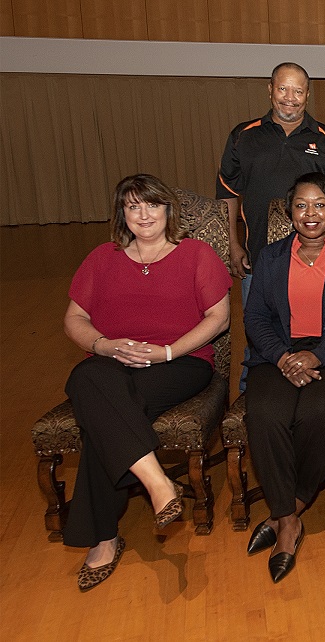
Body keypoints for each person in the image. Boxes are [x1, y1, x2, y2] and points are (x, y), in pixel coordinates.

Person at [62, 174, 232, 591]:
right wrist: (104, 345)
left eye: (152, 204)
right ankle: (158, 482)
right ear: (121, 214)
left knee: (102, 412)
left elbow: (219, 317)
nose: (143, 214)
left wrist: (167, 351)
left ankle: (104, 538)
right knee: (89, 378)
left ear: (168, 209)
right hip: (111, 365)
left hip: (180, 363)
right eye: (132, 206)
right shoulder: (101, 258)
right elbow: (74, 319)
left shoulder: (196, 254)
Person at [242, 172, 325, 583]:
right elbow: (255, 317)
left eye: (320, 204)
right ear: (290, 213)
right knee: (265, 414)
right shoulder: (270, 257)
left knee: (318, 413)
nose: (310, 213)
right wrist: (284, 357)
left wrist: (316, 355)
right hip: (279, 353)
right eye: (301, 205)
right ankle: (289, 520)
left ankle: (288, 512)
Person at [217, 62, 325, 388]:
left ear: (308, 94)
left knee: (314, 332)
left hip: (316, 261)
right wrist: (233, 243)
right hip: (258, 257)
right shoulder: (243, 136)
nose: (290, 98)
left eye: (298, 90)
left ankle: (315, 388)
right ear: (270, 89)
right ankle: (252, 392)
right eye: (283, 88)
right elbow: (227, 194)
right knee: (261, 334)